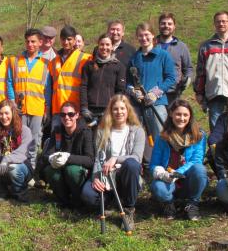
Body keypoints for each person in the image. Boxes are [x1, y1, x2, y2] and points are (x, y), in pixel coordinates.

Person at [81, 94, 145, 231]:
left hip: (127, 176)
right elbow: (98, 157)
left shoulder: (138, 131)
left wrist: (116, 158)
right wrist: (95, 177)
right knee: (88, 196)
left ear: (128, 110)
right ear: (110, 111)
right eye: (115, 109)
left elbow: (137, 157)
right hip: (107, 176)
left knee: (132, 164)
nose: (119, 112)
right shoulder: (102, 131)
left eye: (122, 108)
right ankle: (111, 202)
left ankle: (128, 209)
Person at [150, 100, 208, 221]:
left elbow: (196, 161)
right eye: (178, 114)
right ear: (171, 114)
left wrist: (177, 173)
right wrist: (159, 171)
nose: (181, 118)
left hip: (188, 180)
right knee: (158, 186)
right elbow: (154, 163)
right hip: (169, 181)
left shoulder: (199, 136)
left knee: (200, 169)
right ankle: (169, 203)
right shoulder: (162, 137)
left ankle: (193, 203)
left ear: (190, 116)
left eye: (185, 115)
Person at [126, 22, 175, 162]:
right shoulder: (134, 58)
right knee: (136, 137)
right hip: (138, 105)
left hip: (157, 103)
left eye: (146, 35)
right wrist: (134, 92)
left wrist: (156, 93)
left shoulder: (163, 55)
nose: (144, 38)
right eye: (140, 36)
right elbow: (129, 82)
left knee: (160, 136)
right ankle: (141, 166)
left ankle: (164, 166)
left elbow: (171, 78)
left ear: (153, 35)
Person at [6, 28, 52, 172]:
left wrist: (47, 108)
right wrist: (12, 101)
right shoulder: (15, 61)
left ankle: (31, 171)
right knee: (18, 139)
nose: (30, 44)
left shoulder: (46, 63)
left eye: (33, 41)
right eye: (27, 41)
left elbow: (48, 89)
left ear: (40, 43)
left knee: (34, 141)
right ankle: (19, 168)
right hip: (19, 110)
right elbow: (9, 82)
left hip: (37, 109)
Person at [42, 102, 95, 207]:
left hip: (79, 172)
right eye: (63, 115)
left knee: (71, 170)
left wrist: (68, 158)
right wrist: (51, 159)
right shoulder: (57, 131)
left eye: (70, 114)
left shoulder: (86, 132)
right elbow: (46, 155)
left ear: (76, 115)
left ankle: (77, 200)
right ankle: (64, 201)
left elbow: (90, 160)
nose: (66, 117)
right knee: (49, 170)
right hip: (62, 172)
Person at [0, 100, 34, 201]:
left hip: (21, 166)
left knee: (13, 168)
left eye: (7, 113)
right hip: (1, 166)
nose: (4, 117)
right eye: (1, 114)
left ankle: (19, 191)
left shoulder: (25, 130)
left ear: (13, 113)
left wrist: (7, 159)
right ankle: (1, 191)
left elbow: (23, 152)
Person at [49, 25, 91, 129]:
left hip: (75, 111)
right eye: (63, 39)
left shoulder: (85, 58)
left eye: (69, 39)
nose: (66, 42)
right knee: (57, 142)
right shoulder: (54, 61)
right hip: (58, 110)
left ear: (75, 40)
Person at [80, 35, 126, 128]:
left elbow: (120, 90)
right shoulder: (89, 65)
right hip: (90, 110)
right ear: (98, 46)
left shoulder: (119, 66)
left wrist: (113, 108)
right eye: (102, 44)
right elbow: (83, 86)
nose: (104, 47)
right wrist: (84, 107)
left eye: (108, 45)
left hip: (108, 110)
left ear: (112, 47)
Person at [156, 13, 193, 105]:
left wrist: (186, 81)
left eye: (169, 24)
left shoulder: (181, 47)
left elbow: (188, 68)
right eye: (163, 23)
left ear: (174, 26)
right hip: (153, 92)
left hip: (173, 93)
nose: (166, 26)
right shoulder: (151, 45)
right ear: (159, 25)